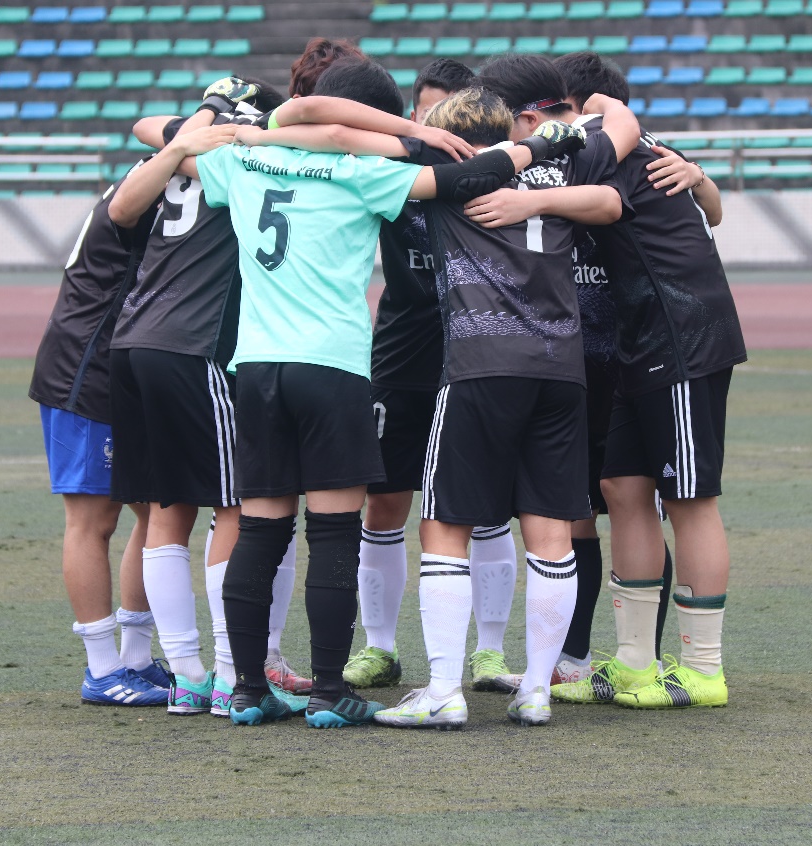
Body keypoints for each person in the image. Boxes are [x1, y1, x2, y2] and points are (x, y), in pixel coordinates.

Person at [176, 58, 587, 729]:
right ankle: (329, 690)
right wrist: (536, 146)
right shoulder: (363, 172)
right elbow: (462, 178)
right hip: (332, 365)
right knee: (335, 533)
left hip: (256, 366)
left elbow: (174, 144)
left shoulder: (241, 162)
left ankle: (246, 688)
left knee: (259, 531)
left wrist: (229, 125)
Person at [362, 78, 639, 729]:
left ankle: (442, 690)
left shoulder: (450, 176)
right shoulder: (562, 167)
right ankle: (537, 689)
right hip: (560, 369)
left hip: (480, 367)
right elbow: (617, 151)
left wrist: (420, 134)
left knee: (443, 526)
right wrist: (567, 130)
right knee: (550, 531)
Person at [478, 51, 745, 709]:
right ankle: (632, 663)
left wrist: (527, 199)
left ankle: (703, 670)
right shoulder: (613, 135)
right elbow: (706, 207)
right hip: (640, 340)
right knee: (622, 488)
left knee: (688, 498)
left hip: (682, 333)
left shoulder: (601, 135)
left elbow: (608, 199)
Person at [108, 80, 308, 716]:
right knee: (238, 506)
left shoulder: (181, 151)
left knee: (166, 511)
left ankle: (187, 675)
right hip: (195, 345)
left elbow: (146, 128)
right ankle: (229, 673)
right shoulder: (246, 158)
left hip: (133, 341)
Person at [343, 57, 521, 694]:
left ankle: (490, 654)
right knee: (384, 503)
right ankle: (380, 648)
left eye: (446, 115)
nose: (434, 127)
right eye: (424, 113)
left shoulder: (503, 177)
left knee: (487, 510)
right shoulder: (391, 167)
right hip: (400, 359)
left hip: (476, 359)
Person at [29, 158, 168, 707]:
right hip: (86, 369)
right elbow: (124, 209)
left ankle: (135, 657)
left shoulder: (161, 168)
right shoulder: (152, 176)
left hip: (125, 367)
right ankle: (101, 668)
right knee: (92, 518)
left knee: (157, 510)